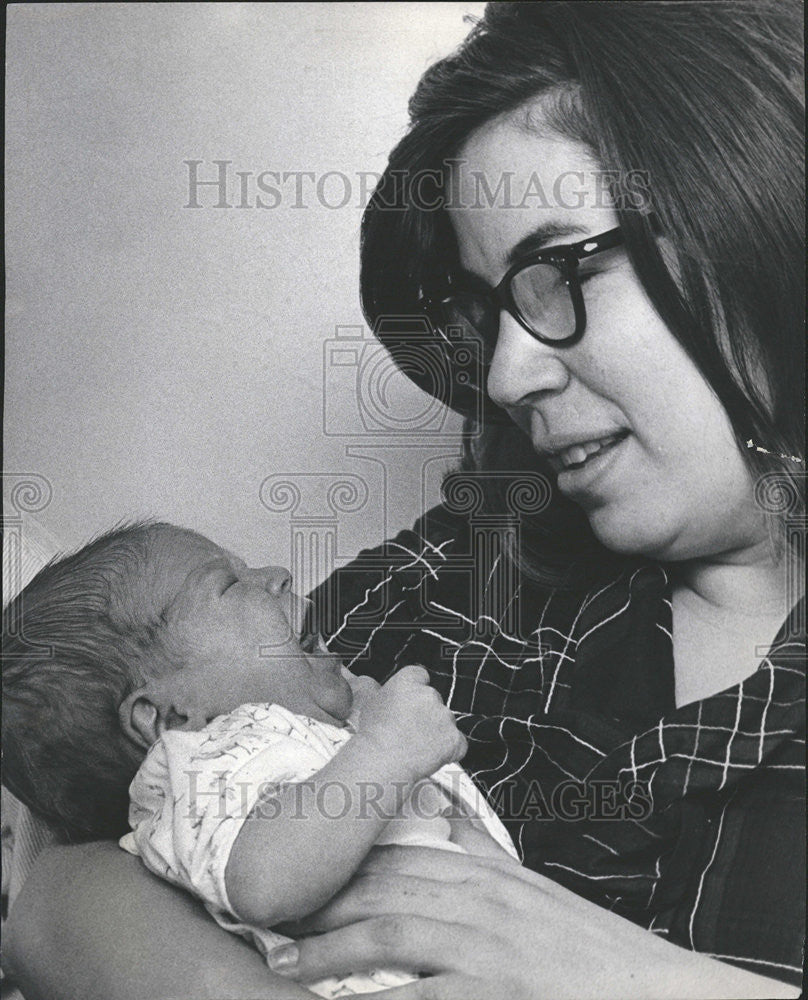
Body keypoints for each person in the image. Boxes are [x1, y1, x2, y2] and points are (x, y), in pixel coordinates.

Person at [4, 2, 804, 998]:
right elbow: (63, 872)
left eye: (553, 270)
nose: (509, 373)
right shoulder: (464, 581)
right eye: (490, 310)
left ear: (746, 224)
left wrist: (640, 978)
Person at [2, 522, 516, 998]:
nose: (278, 575)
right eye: (228, 584)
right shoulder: (200, 767)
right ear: (168, 718)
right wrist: (387, 749)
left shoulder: (299, 735)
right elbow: (265, 883)